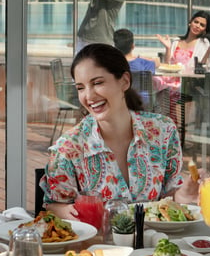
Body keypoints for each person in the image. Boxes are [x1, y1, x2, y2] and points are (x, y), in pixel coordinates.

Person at [39, 44, 201, 221]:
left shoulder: (163, 131)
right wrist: (60, 210)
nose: (89, 96)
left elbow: (168, 199)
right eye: (80, 88)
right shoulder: (68, 148)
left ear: (124, 81)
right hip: (97, 246)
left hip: (155, 244)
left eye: (98, 83)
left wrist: (181, 197)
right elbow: (53, 206)